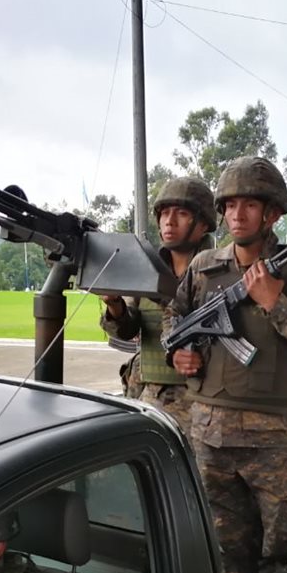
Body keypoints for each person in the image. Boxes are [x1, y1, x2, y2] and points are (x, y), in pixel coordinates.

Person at [164, 156, 287, 573]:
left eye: (250, 205)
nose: (237, 215)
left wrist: (275, 303)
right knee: (227, 553)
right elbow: (174, 316)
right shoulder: (203, 267)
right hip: (209, 434)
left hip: (271, 439)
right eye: (230, 205)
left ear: (272, 214)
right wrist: (178, 353)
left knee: (285, 553)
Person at [101, 177, 216, 431]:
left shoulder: (219, 269)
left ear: (204, 223)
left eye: (182, 213)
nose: (169, 221)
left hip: (202, 403)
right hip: (148, 399)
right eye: (164, 213)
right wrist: (114, 304)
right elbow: (127, 329)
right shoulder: (147, 269)